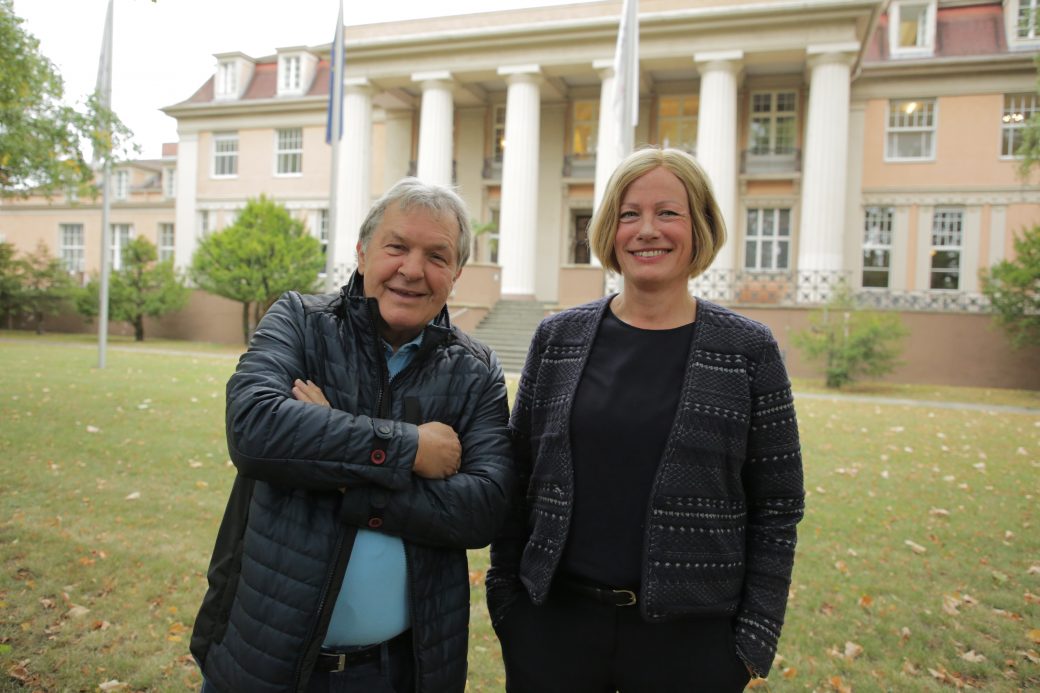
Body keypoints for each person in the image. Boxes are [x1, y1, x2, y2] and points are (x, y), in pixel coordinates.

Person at [486, 147, 804, 692]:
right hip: (554, 627)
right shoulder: (557, 340)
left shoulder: (749, 351)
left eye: (668, 213)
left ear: (699, 226)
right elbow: (518, 477)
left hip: (690, 646)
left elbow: (778, 506)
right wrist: (509, 603)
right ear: (610, 229)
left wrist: (751, 644)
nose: (646, 230)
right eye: (629, 214)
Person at [191, 178, 514, 693]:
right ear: (362, 253)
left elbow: (484, 510)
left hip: (399, 671)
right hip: (262, 657)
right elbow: (254, 428)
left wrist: (345, 477)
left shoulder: (476, 370)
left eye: (437, 255)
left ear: (456, 273)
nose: (412, 269)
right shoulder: (300, 320)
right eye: (396, 246)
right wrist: (412, 448)